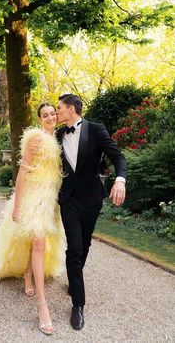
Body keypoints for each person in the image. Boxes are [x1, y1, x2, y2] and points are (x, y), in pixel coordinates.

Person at [0, 103, 65, 335]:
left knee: (39, 241)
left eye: (52, 114)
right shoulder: (35, 138)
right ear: (39, 119)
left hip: (50, 199)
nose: (50, 117)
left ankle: (28, 273)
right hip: (32, 197)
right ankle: (43, 307)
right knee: (37, 243)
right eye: (45, 115)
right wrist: (16, 206)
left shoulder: (57, 139)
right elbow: (23, 172)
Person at [56, 94, 126, 330]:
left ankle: (74, 279)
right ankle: (78, 304)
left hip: (92, 198)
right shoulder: (57, 136)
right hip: (68, 199)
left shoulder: (95, 130)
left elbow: (117, 156)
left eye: (59, 108)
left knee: (84, 244)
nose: (56, 112)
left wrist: (120, 180)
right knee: (74, 247)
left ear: (71, 109)